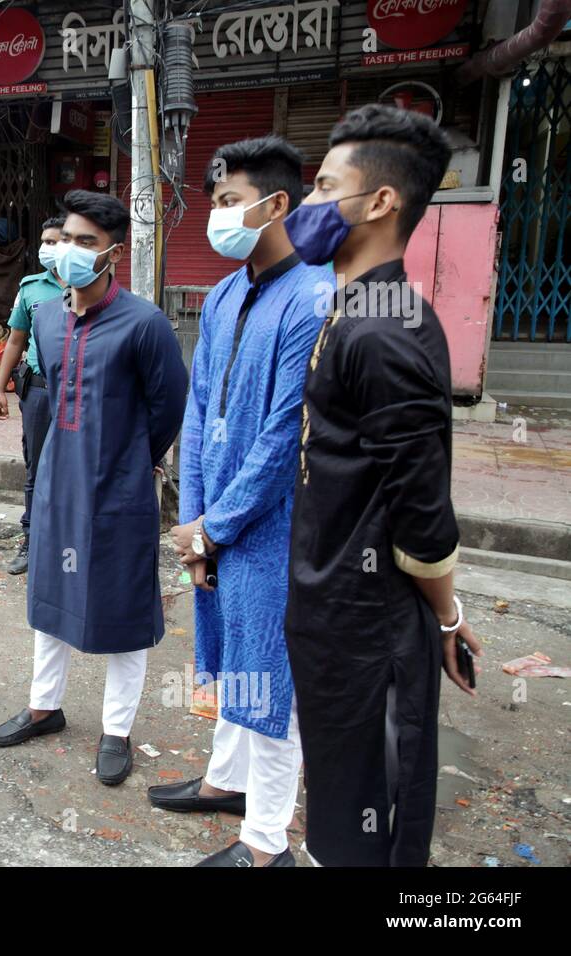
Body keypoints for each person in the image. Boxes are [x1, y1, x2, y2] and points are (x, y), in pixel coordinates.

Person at [283, 104, 482, 867]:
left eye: (324, 186)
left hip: (370, 625)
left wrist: (442, 617)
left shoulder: (387, 328)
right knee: (339, 796)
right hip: (334, 609)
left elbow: (422, 509)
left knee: (374, 820)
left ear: (380, 202)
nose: (305, 205)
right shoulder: (354, 307)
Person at [148, 137, 330, 867]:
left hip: (267, 530)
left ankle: (265, 844)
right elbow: (197, 418)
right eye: (214, 201)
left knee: (269, 676)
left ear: (275, 204)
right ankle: (227, 782)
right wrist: (191, 523)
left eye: (228, 202)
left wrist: (213, 530)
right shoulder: (222, 296)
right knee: (227, 661)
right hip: (213, 527)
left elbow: (284, 439)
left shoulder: (312, 299)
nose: (215, 217)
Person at [0, 190, 187, 787]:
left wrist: (132, 464)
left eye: (86, 243)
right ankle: (45, 707)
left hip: (120, 493)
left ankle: (117, 730)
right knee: (50, 597)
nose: (70, 252)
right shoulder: (46, 318)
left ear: (113, 254)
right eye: (65, 239)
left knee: (125, 607)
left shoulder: (145, 324)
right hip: (56, 482)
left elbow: (169, 407)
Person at [0, 215, 66, 575]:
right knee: (36, 469)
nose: (46, 248)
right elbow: (15, 341)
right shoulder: (31, 287)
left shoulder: (90, 285)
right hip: (38, 392)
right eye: (44, 241)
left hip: (77, 394)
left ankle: (68, 542)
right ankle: (30, 540)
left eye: (54, 241)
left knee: (76, 470)